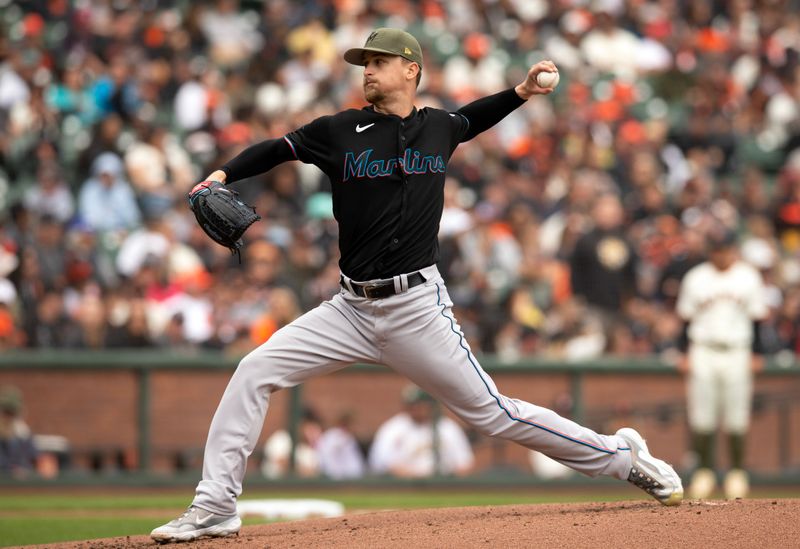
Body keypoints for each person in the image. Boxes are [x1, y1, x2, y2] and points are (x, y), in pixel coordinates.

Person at [151, 28, 683, 542]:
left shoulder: (438, 127)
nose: (368, 72)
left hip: (415, 308)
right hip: (349, 310)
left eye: (378, 62)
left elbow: (473, 117)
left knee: (494, 414)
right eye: (365, 65)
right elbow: (277, 149)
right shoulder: (338, 130)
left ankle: (621, 457)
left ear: (411, 70)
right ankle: (214, 507)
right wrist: (222, 175)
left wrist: (521, 92)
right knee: (255, 370)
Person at [676, 229, 768, 500]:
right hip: (703, 349)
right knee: (701, 413)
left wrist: (757, 352)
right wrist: (684, 352)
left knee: (737, 414)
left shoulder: (748, 276)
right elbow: (685, 319)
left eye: (725, 249)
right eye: (716, 249)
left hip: (738, 349)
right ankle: (704, 472)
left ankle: (737, 472)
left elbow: (757, 319)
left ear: (733, 250)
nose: (721, 254)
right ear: (710, 251)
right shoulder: (696, 277)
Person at [368, 386, 474, 478]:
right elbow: (382, 464)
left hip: (444, 486)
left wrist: (450, 478)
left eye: (420, 405)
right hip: (406, 487)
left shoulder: (448, 427)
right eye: (411, 405)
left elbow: (465, 464)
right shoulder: (393, 428)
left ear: (430, 405)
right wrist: (416, 477)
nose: (415, 409)